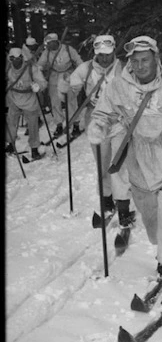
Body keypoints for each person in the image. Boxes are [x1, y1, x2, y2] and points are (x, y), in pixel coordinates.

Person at [87, 35, 162, 308]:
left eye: (146, 60)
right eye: (135, 61)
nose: (140, 65)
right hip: (138, 160)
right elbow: (103, 113)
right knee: (152, 222)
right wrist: (98, 128)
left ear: (156, 59)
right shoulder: (119, 86)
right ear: (129, 62)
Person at [64, 35, 132, 223]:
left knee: (118, 165)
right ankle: (107, 201)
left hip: (119, 121)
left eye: (108, 54)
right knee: (102, 166)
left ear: (113, 51)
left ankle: (124, 205)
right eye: (101, 55)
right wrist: (65, 86)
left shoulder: (125, 67)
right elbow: (71, 87)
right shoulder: (85, 69)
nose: (104, 59)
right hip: (95, 122)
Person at [37, 32, 83, 137]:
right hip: (54, 77)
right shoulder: (47, 52)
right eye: (47, 43)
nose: (48, 45)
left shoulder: (68, 49)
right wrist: (38, 70)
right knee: (55, 102)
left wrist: (80, 73)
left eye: (49, 43)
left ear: (55, 42)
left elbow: (78, 61)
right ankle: (59, 124)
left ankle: (75, 124)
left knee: (71, 101)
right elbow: (40, 64)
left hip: (68, 76)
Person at [5, 47, 47, 161]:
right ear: (10, 59)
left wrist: (38, 86)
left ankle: (34, 148)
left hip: (29, 100)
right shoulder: (8, 67)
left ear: (22, 58)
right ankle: (10, 144)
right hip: (14, 98)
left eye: (18, 58)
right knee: (11, 122)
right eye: (13, 59)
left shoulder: (31, 68)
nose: (16, 61)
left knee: (33, 125)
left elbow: (42, 82)